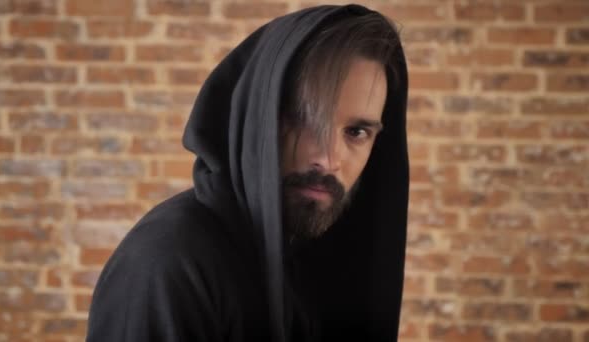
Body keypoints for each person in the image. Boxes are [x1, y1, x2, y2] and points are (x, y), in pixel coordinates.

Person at [86, 4, 409, 342]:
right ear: (258, 115)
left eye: (356, 132)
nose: (329, 160)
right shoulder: (166, 264)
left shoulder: (318, 260)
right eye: (303, 119)